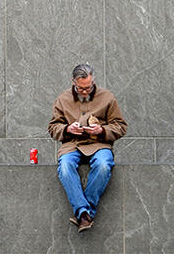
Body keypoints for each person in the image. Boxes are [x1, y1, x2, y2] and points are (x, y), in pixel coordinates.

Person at [47, 63, 127, 234]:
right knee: (65, 167)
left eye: (88, 88)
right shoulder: (63, 99)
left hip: (99, 144)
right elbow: (53, 128)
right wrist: (68, 129)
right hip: (72, 145)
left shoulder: (107, 97)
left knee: (104, 165)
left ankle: (84, 213)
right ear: (73, 82)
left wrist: (102, 130)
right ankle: (85, 212)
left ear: (94, 81)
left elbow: (120, 126)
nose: (85, 92)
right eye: (81, 88)